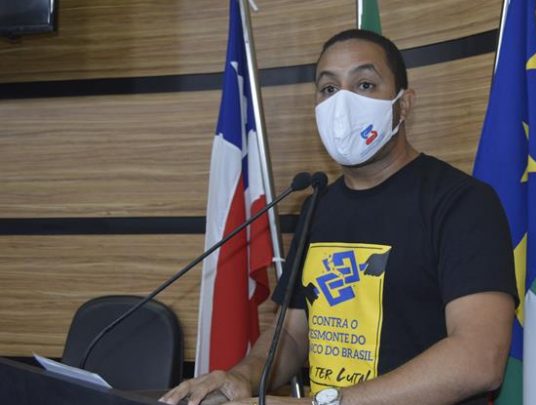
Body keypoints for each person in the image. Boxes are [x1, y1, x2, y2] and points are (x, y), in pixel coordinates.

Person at [162, 29, 517, 405]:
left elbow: (479, 358)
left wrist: (325, 404)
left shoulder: (461, 202)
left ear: (404, 104)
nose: (342, 103)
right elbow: (292, 334)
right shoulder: (318, 205)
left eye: (364, 84)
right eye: (329, 89)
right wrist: (241, 376)